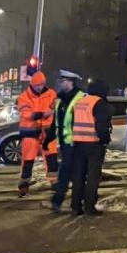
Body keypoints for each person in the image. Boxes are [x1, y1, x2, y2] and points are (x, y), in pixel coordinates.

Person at [66, 79, 112, 216]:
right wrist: (105, 140)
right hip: (94, 144)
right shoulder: (100, 103)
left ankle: (76, 206)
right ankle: (89, 206)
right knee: (93, 176)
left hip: (78, 144)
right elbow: (101, 126)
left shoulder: (80, 102)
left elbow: (72, 122)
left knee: (78, 176)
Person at [16, 70, 58, 198]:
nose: (39, 87)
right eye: (37, 85)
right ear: (32, 84)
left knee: (52, 159)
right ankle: (24, 185)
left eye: (41, 84)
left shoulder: (51, 94)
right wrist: (42, 114)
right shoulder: (24, 97)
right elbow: (25, 113)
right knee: (28, 160)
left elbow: (55, 108)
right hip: (30, 132)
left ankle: (55, 183)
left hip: (47, 131)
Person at [47, 71, 83, 214]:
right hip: (65, 143)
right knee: (72, 173)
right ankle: (77, 203)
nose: (60, 83)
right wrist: (48, 139)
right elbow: (56, 122)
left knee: (67, 173)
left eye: (63, 81)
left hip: (75, 144)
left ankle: (59, 201)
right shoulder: (61, 100)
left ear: (70, 82)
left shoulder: (80, 98)